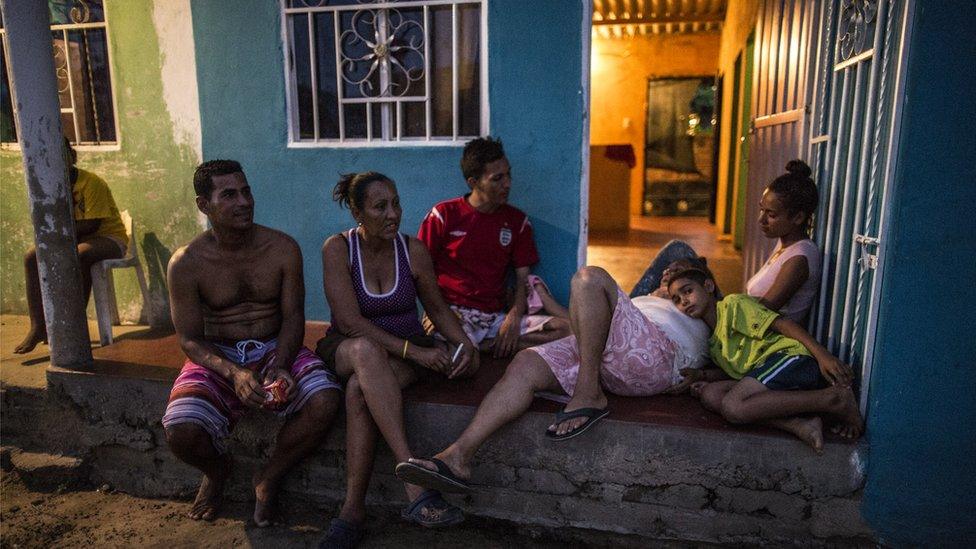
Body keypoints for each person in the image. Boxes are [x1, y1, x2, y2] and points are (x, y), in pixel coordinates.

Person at [392, 261, 711, 494]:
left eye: (686, 289)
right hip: (613, 360)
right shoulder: (648, 300)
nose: (680, 298)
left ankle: (588, 394)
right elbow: (591, 322)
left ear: (708, 285)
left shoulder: (714, 311)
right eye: (673, 290)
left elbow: (743, 355)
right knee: (526, 362)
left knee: (589, 277)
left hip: (660, 355)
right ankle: (458, 456)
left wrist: (703, 375)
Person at [161, 160, 342, 526]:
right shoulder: (186, 263)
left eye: (246, 191)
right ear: (204, 205)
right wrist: (233, 373)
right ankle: (217, 471)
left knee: (325, 400)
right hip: (218, 355)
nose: (244, 201)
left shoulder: (282, 248)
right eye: (229, 194)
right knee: (180, 431)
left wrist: (280, 364)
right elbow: (190, 340)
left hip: (276, 345)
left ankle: (268, 477)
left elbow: (293, 317)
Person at [317, 172, 480, 546]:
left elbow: (437, 309)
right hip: (347, 347)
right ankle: (414, 480)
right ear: (358, 212)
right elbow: (349, 321)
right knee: (363, 351)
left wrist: (464, 345)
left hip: (400, 353)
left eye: (396, 204)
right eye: (380, 207)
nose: (393, 214)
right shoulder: (338, 249)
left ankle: (351, 512)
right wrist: (416, 352)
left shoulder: (412, 250)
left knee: (360, 390)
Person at [666, 266, 863, 452]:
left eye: (687, 291)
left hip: (789, 359)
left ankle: (833, 398)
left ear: (708, 286)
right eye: (676, 299)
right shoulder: (714, 344)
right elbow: (734, 372)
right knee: (710, 394)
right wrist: (701, 375)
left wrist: (823, 356)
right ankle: (797, 424)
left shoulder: (734, 305)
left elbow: (782, 324)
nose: (683, 301)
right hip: (768, 375)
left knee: (733, 407)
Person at [417, 137, 570, 359]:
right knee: (461, 361)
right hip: (453, 315)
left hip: (493, 318)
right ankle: (477, 348)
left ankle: (485, 345)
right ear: (473, 182)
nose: (507, 184)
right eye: (497, 178)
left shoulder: (517, 222)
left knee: (566, 330)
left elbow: (522, 279)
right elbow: (421, 272)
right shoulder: (443, 215)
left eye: (508, 175)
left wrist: (514, 316)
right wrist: (433, 313)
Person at [630, 160, 821, 324]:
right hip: (735, 313)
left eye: (771, 215)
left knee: (677, 253)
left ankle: (628, 309)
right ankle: (637, 305)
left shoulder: (799, 260)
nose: (761, 220)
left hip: (739, 328)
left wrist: (708, 306)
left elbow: (762, 316)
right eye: (762, 210)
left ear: (798, 217)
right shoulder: (786, 243)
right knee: (678, 255)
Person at [14, 138, 127, 354]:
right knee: (31, 257)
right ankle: (38, 326)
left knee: (80, 255)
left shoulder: (91, 182)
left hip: (109, 239)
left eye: (62, 153)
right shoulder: (49, 186)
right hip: (70, 239)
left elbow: (92, 225)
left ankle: (74, 323)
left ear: (71, 156)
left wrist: (55, 237)